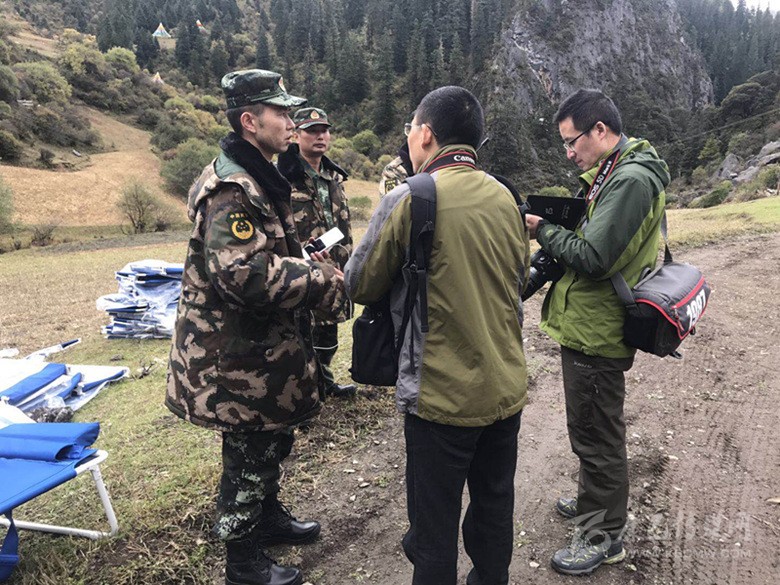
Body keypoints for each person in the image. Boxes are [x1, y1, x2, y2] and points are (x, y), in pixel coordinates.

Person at [166, 69, 346, 585]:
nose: (292, 122)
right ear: (250, 121)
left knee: (269, 442)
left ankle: (265, 517)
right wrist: (318, 278)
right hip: (235, 355)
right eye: (281, 113)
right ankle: (243, 561)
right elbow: (242, 276)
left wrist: (302, 257)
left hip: (263, 350)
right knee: (248, 455)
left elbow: (265, 254)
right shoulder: (232, 189)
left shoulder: (258, 174)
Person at [345, 86, 530, 585]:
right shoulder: (508, 198)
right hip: (505, 389)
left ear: (425, 134)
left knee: (432, 532)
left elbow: (359, 284)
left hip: (440, 398)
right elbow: (518, 279)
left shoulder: (409, 198)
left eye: (410, 129)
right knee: (494, 510)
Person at [525, 88, 670, 576]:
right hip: (591, 322)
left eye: (572, 142)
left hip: (598, 330)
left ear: (600, 130)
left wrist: (543, 229)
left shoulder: (629, 180)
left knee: (596, 435)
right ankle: (595, 503)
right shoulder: (614, 171)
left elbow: (592, 257)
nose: (569, 153)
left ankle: (602, 535)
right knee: (591, 426)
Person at [277, 107, 356, 398]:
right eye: (311, 131)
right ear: (296, 135)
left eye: (324, 130)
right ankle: (306, 389)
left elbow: (342, 224)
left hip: (335, 263)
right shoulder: (284, 176)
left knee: (328, 329)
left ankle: (324, 381)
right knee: (302, 330)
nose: (320, 136)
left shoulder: (333, 176)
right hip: (303, 266)